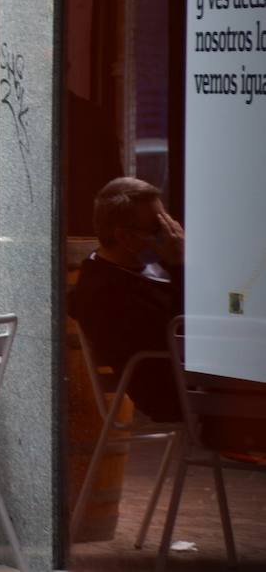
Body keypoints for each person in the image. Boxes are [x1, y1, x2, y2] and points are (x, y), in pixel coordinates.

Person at [68, 177, 184, 422]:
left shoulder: (149, 264)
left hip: (201, 378)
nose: (170, 233)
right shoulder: (104, 293)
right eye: (158, 228)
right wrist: (181, 267)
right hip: (179, 392)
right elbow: (181, 333)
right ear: (125, 238)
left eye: (169, 223)